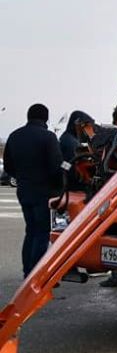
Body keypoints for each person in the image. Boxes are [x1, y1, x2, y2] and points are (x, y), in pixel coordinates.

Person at [3, 104, 62, 277]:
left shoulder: (14, 136)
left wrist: (22, 178)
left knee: (30, 231)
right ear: (46, 118)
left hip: (24, 190)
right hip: (43, 192)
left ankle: (27, 270)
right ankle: (36, 273)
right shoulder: (48, 137)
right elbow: (55, 167)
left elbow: (8, 166)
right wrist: (59, 186)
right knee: (42, 232)